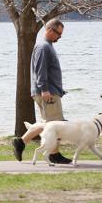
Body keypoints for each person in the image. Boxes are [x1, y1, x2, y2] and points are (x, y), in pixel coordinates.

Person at [12, 18, 72, 164]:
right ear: (50, 30)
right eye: (58, 33)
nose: (60, 37)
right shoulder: (43, 47)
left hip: (51, 91)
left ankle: (20, 142)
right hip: (47, 93)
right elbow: (40, 71)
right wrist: (45, 89)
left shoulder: (47, 46)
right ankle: (54, 154)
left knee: (47, 123)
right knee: (56, 124)